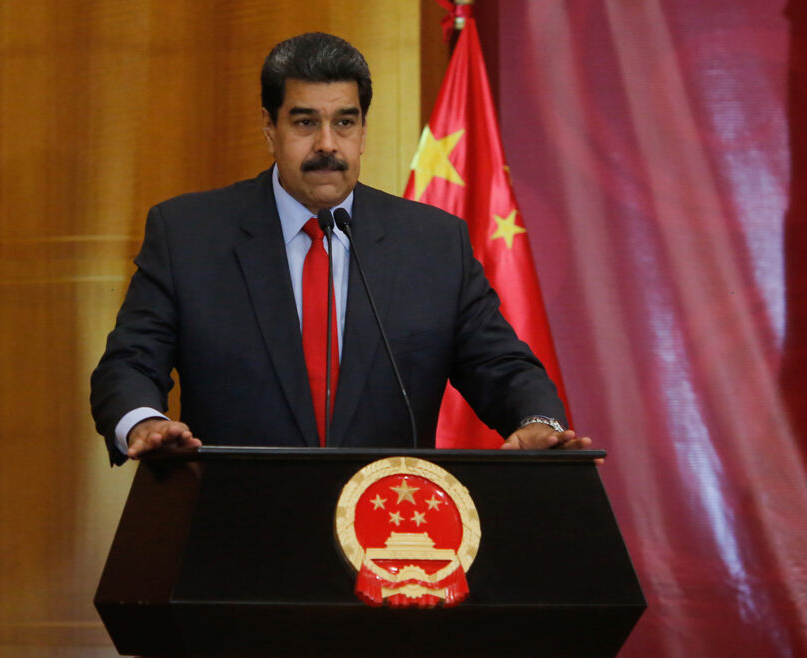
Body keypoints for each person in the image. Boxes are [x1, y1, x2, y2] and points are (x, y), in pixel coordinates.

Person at [90, 32, 590, 465]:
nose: (327, 144)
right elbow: (129, 363)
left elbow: (499, 364)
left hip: (391, 527)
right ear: (270, 127)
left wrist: (538, 419)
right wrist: (143, 424)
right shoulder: (189, 235)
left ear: (364, 130)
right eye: (305, 123)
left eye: (345, 123)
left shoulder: (433, 244)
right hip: (233, 524)